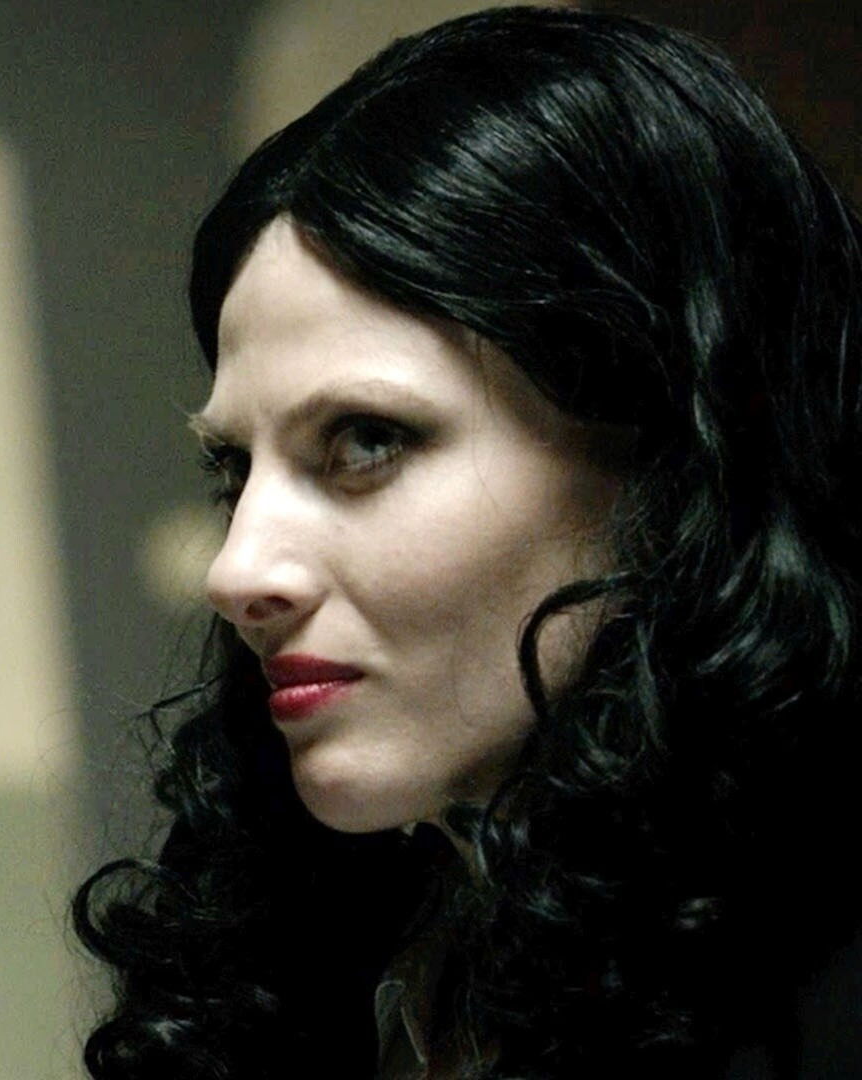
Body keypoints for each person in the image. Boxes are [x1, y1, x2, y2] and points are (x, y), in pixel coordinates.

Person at [75, 7, 862, 1078]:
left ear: (676, 451)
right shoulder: (336, 962)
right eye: (233, 469)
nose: (236, 570)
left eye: (366, 440)